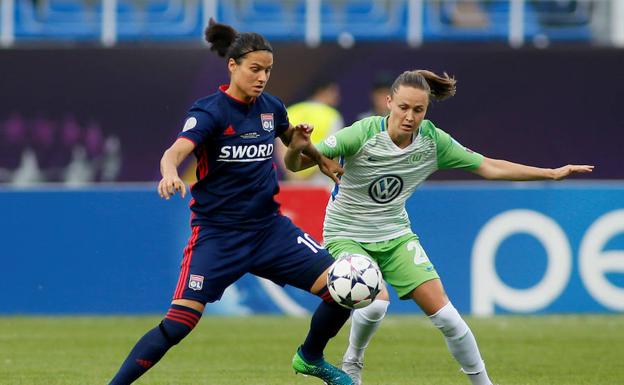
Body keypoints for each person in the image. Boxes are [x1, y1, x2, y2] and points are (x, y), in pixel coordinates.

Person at [284, 69, 594, 385]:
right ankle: (352, 364)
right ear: (389, 102)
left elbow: (489, 166)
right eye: (403, 107)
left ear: (426, 111)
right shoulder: (360, 134)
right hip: (347, 233)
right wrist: (297, 147)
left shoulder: (432, 141)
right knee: (376, 306)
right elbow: (295, 166)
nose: (409, 116)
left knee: (448, 318)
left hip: (394, 234)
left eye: (418, 110)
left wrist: (550, 174)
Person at [107, 19, 354, 385]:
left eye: (268, 70)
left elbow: (293, 144)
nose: (262, 77)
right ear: (233, 66)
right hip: (218, 236)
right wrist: (170, 173)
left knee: (343, 288)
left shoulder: (271, 108)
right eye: (255, 69)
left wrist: (317, 156)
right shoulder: (210, 112)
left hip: (270, 231)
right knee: (177, 325)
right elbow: (174, 152)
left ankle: (311, 357)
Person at [276, 80, 344, 185]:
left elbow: (280, 146)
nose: (337, 97)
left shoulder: (291, 111)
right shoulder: (332, 115)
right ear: (322, 91)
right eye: (333, 92)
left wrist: (292, 173)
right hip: (321, 181)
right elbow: (333, 149)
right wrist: (307, 174)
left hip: (293, 181)